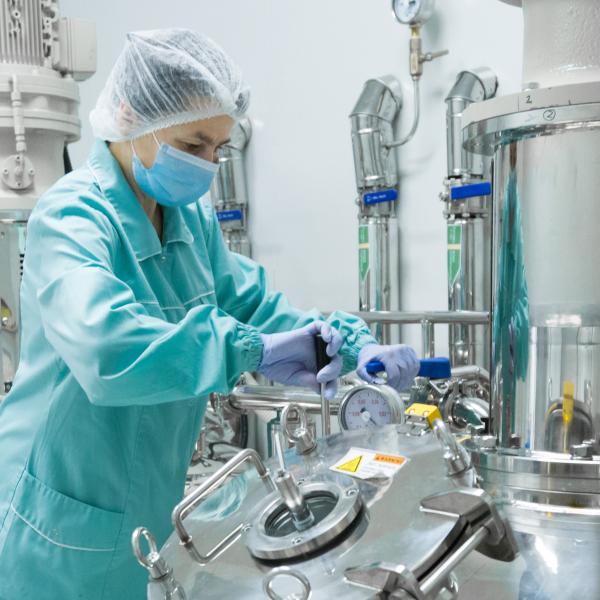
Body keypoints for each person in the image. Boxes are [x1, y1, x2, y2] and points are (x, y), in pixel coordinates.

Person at [0, 29, 419, 599]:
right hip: (54, 520)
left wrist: (351, 345)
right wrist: (243, 351)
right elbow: (107, 348)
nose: (208, 165)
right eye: (194, 144)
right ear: (131, 116)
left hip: (144, 509)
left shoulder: (187, 222)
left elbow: (258, 306)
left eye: (218, 148)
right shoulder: (70, 218)